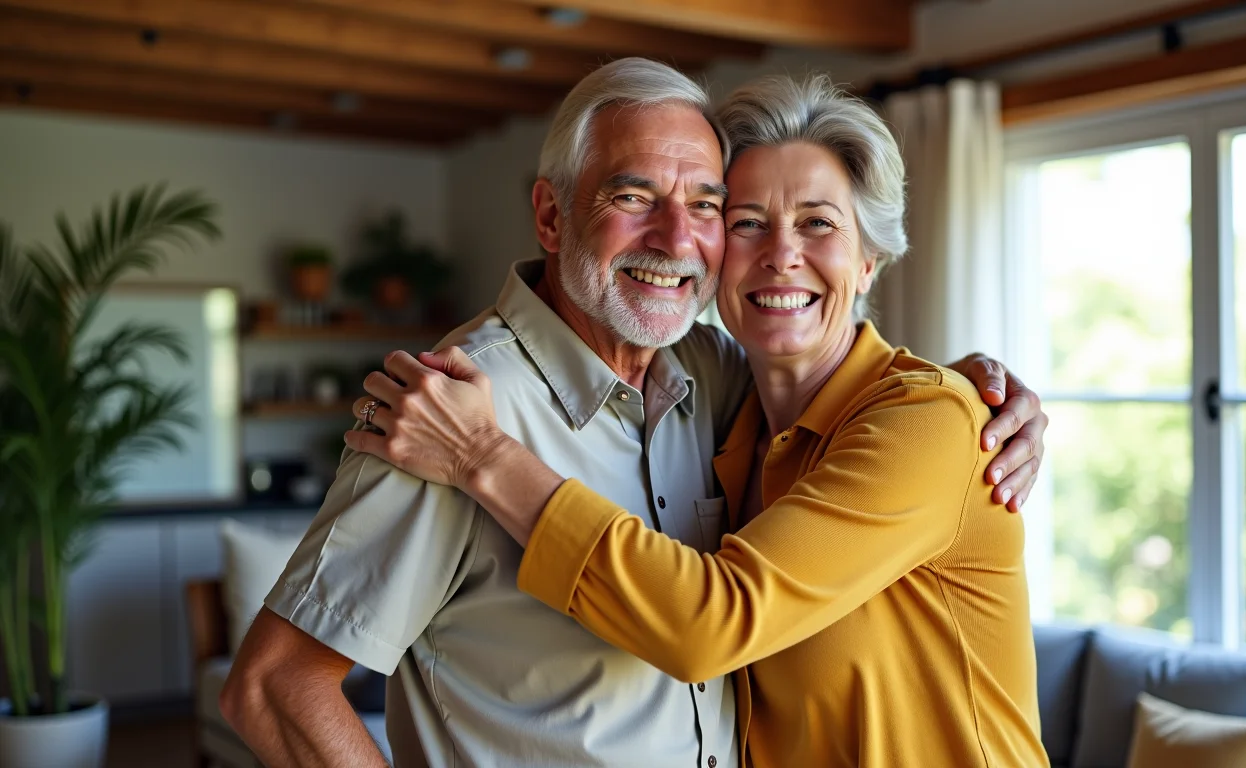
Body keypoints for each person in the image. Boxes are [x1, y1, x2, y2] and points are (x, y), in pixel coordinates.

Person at [222, 59, 1047, 768]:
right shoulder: (449, 409)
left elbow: (713, 619)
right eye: (635, 194)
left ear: (870, 261)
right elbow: (272, 685)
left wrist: (967, 394)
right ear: (551, 215)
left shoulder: (716, 385)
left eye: (706, 204)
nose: (677, 236)